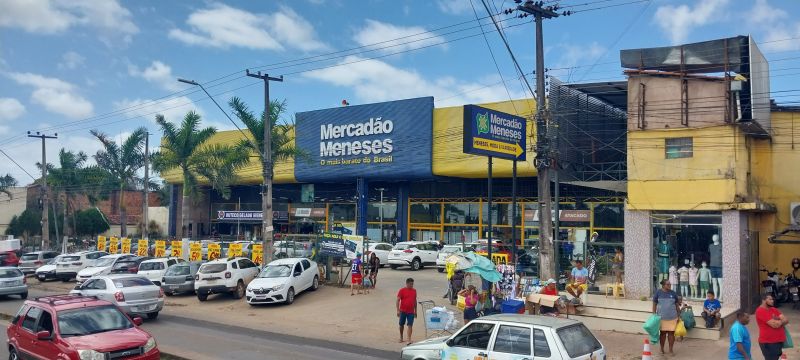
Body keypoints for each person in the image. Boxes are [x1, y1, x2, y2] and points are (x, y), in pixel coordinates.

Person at [755, 294, 789, 360]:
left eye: (772, 299)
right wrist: (781, 321)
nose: (772, 301)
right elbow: (775, 325)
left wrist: (780, 322)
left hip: (778, 342)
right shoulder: (760, 311)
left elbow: (786, 320)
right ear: (763, 300)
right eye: (770, 299)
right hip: (769, 343)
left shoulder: (773, 309)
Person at [653, 279, 681, 355]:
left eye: (670, 284)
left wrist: (679, 316)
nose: (669, 286)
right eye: (668, 284)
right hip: (661, 317)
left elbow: (677, 305)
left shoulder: (673, 293)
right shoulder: (658, 293)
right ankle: (661, 349)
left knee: (671, 334)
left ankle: (671, 350)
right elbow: (654, 303)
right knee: (662, 334)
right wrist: (654, 314)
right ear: (663, 285)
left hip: (672, 317)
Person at [396, 278, 418, 345]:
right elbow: (397, 300)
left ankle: (409, 339)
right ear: (407, 283)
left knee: (410, 325)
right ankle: (401, 337)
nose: (412, 285)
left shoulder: (414, 291)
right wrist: (398, 310)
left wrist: (415, 311)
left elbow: (415, 301)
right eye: (411, 284)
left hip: (411, 312)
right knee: (401, 325)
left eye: (412, 284)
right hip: (403, 311)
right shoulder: (402, 290)